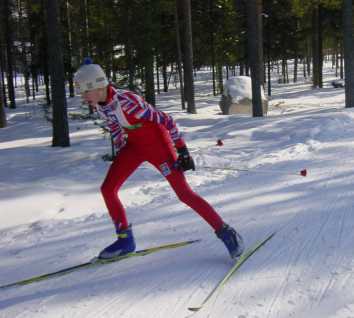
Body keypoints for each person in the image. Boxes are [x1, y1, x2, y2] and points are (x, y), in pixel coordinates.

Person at [74, 59, 244, 259]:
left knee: (184, 193)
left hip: (159, 147)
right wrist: (121, 151)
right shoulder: (101, 104)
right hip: (135, 147)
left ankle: (226, 232)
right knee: (108, 189)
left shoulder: (128, 102)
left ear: (97, 86)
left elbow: (166, 120)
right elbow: (114, 126)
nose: (83, 97)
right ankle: (125, 240)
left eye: (85, 91)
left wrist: (182, 150)